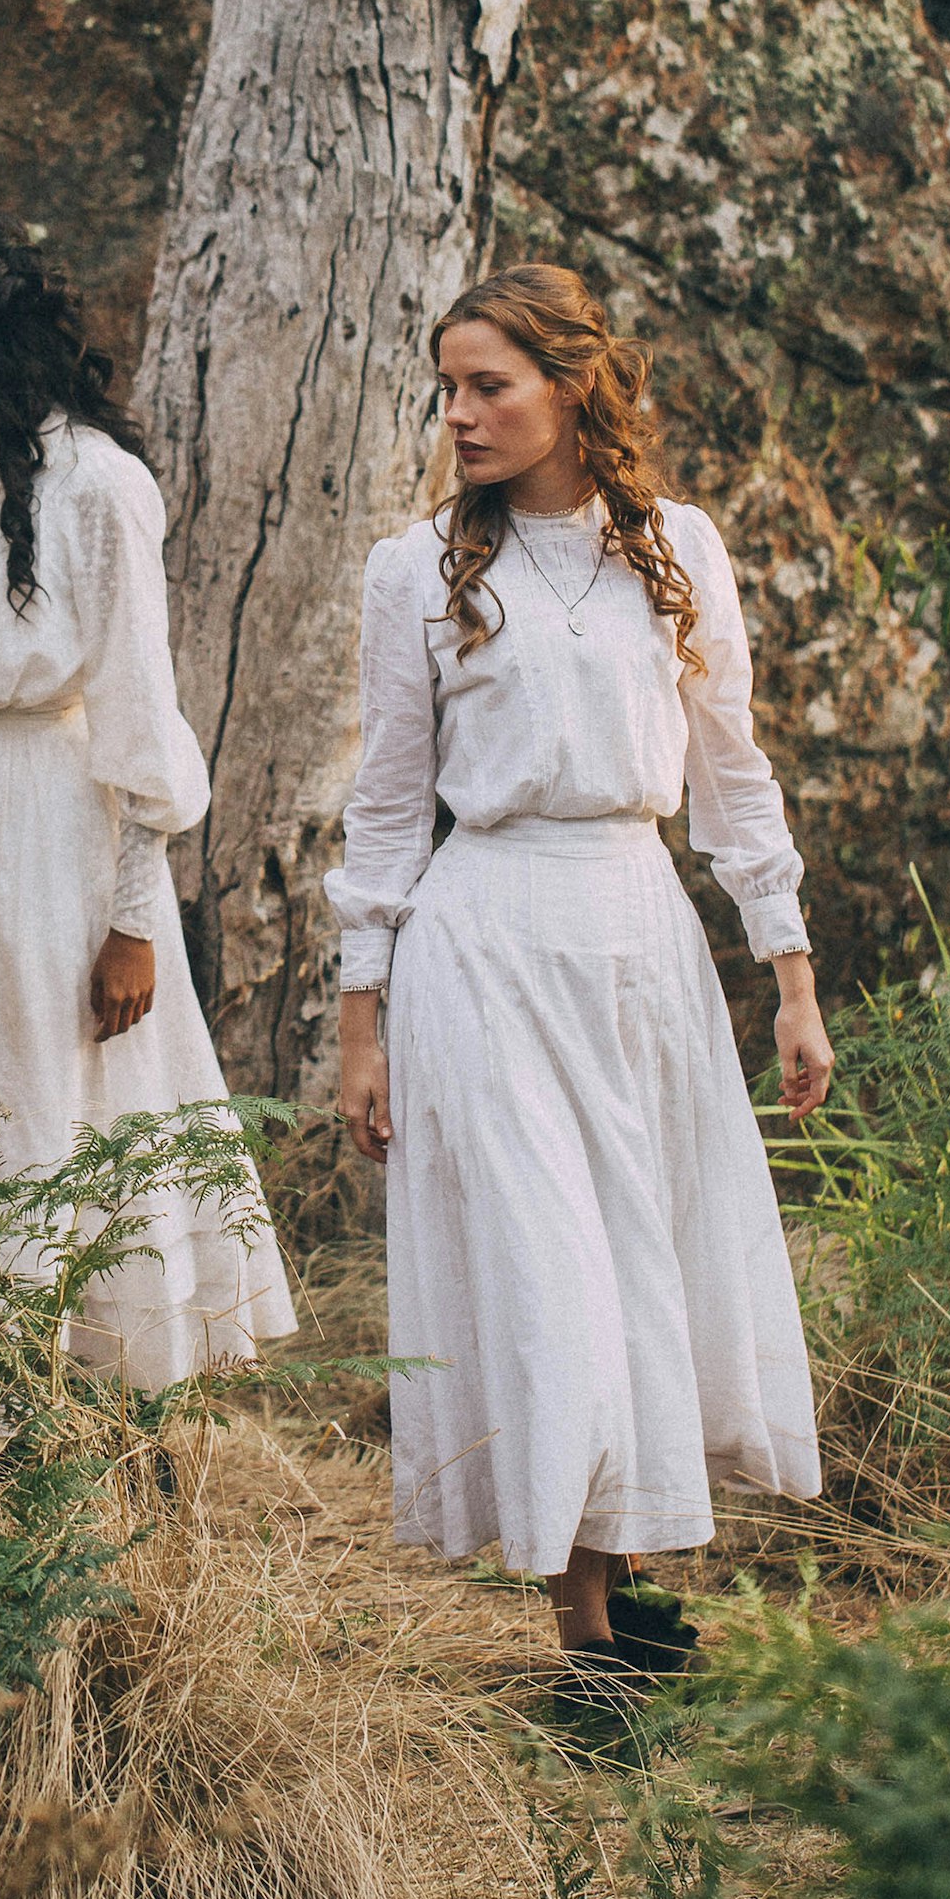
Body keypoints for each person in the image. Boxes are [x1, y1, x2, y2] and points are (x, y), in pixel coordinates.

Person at [323, 263, 835, 1669]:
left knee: (636, 1261)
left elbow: (732, 778)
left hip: (636, 929)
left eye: (490, 385)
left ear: (574, 386)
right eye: (449, 389)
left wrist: (786, 975)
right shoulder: (412, 570)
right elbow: (385, 810)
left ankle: (616, 1581)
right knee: (546, 1264)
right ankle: (589, 1633)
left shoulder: (676, 547)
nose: (461, 415)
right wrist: (359, 1024)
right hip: (484, 938)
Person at [0, 210, 297, 1387]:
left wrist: (137, 917)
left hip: (51, 822)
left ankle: (92, 1375)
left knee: (61, 1087)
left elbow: (138, 711)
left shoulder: (102, 487)